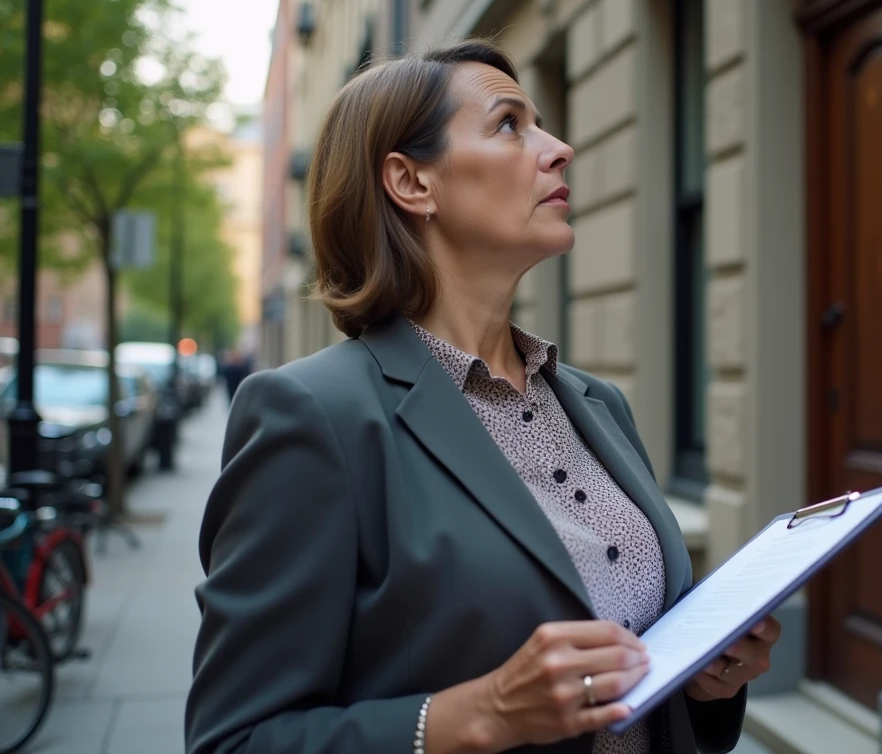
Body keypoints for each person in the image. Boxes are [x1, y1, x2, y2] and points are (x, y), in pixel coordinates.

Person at [185, 39, 781, 754]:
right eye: (510, 124)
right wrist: (479, 715)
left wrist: (706, 679)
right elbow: (234, 739)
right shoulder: (312, 416)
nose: (558, 149)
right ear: (412, 183)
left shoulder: (599, 405)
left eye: (543, 125)